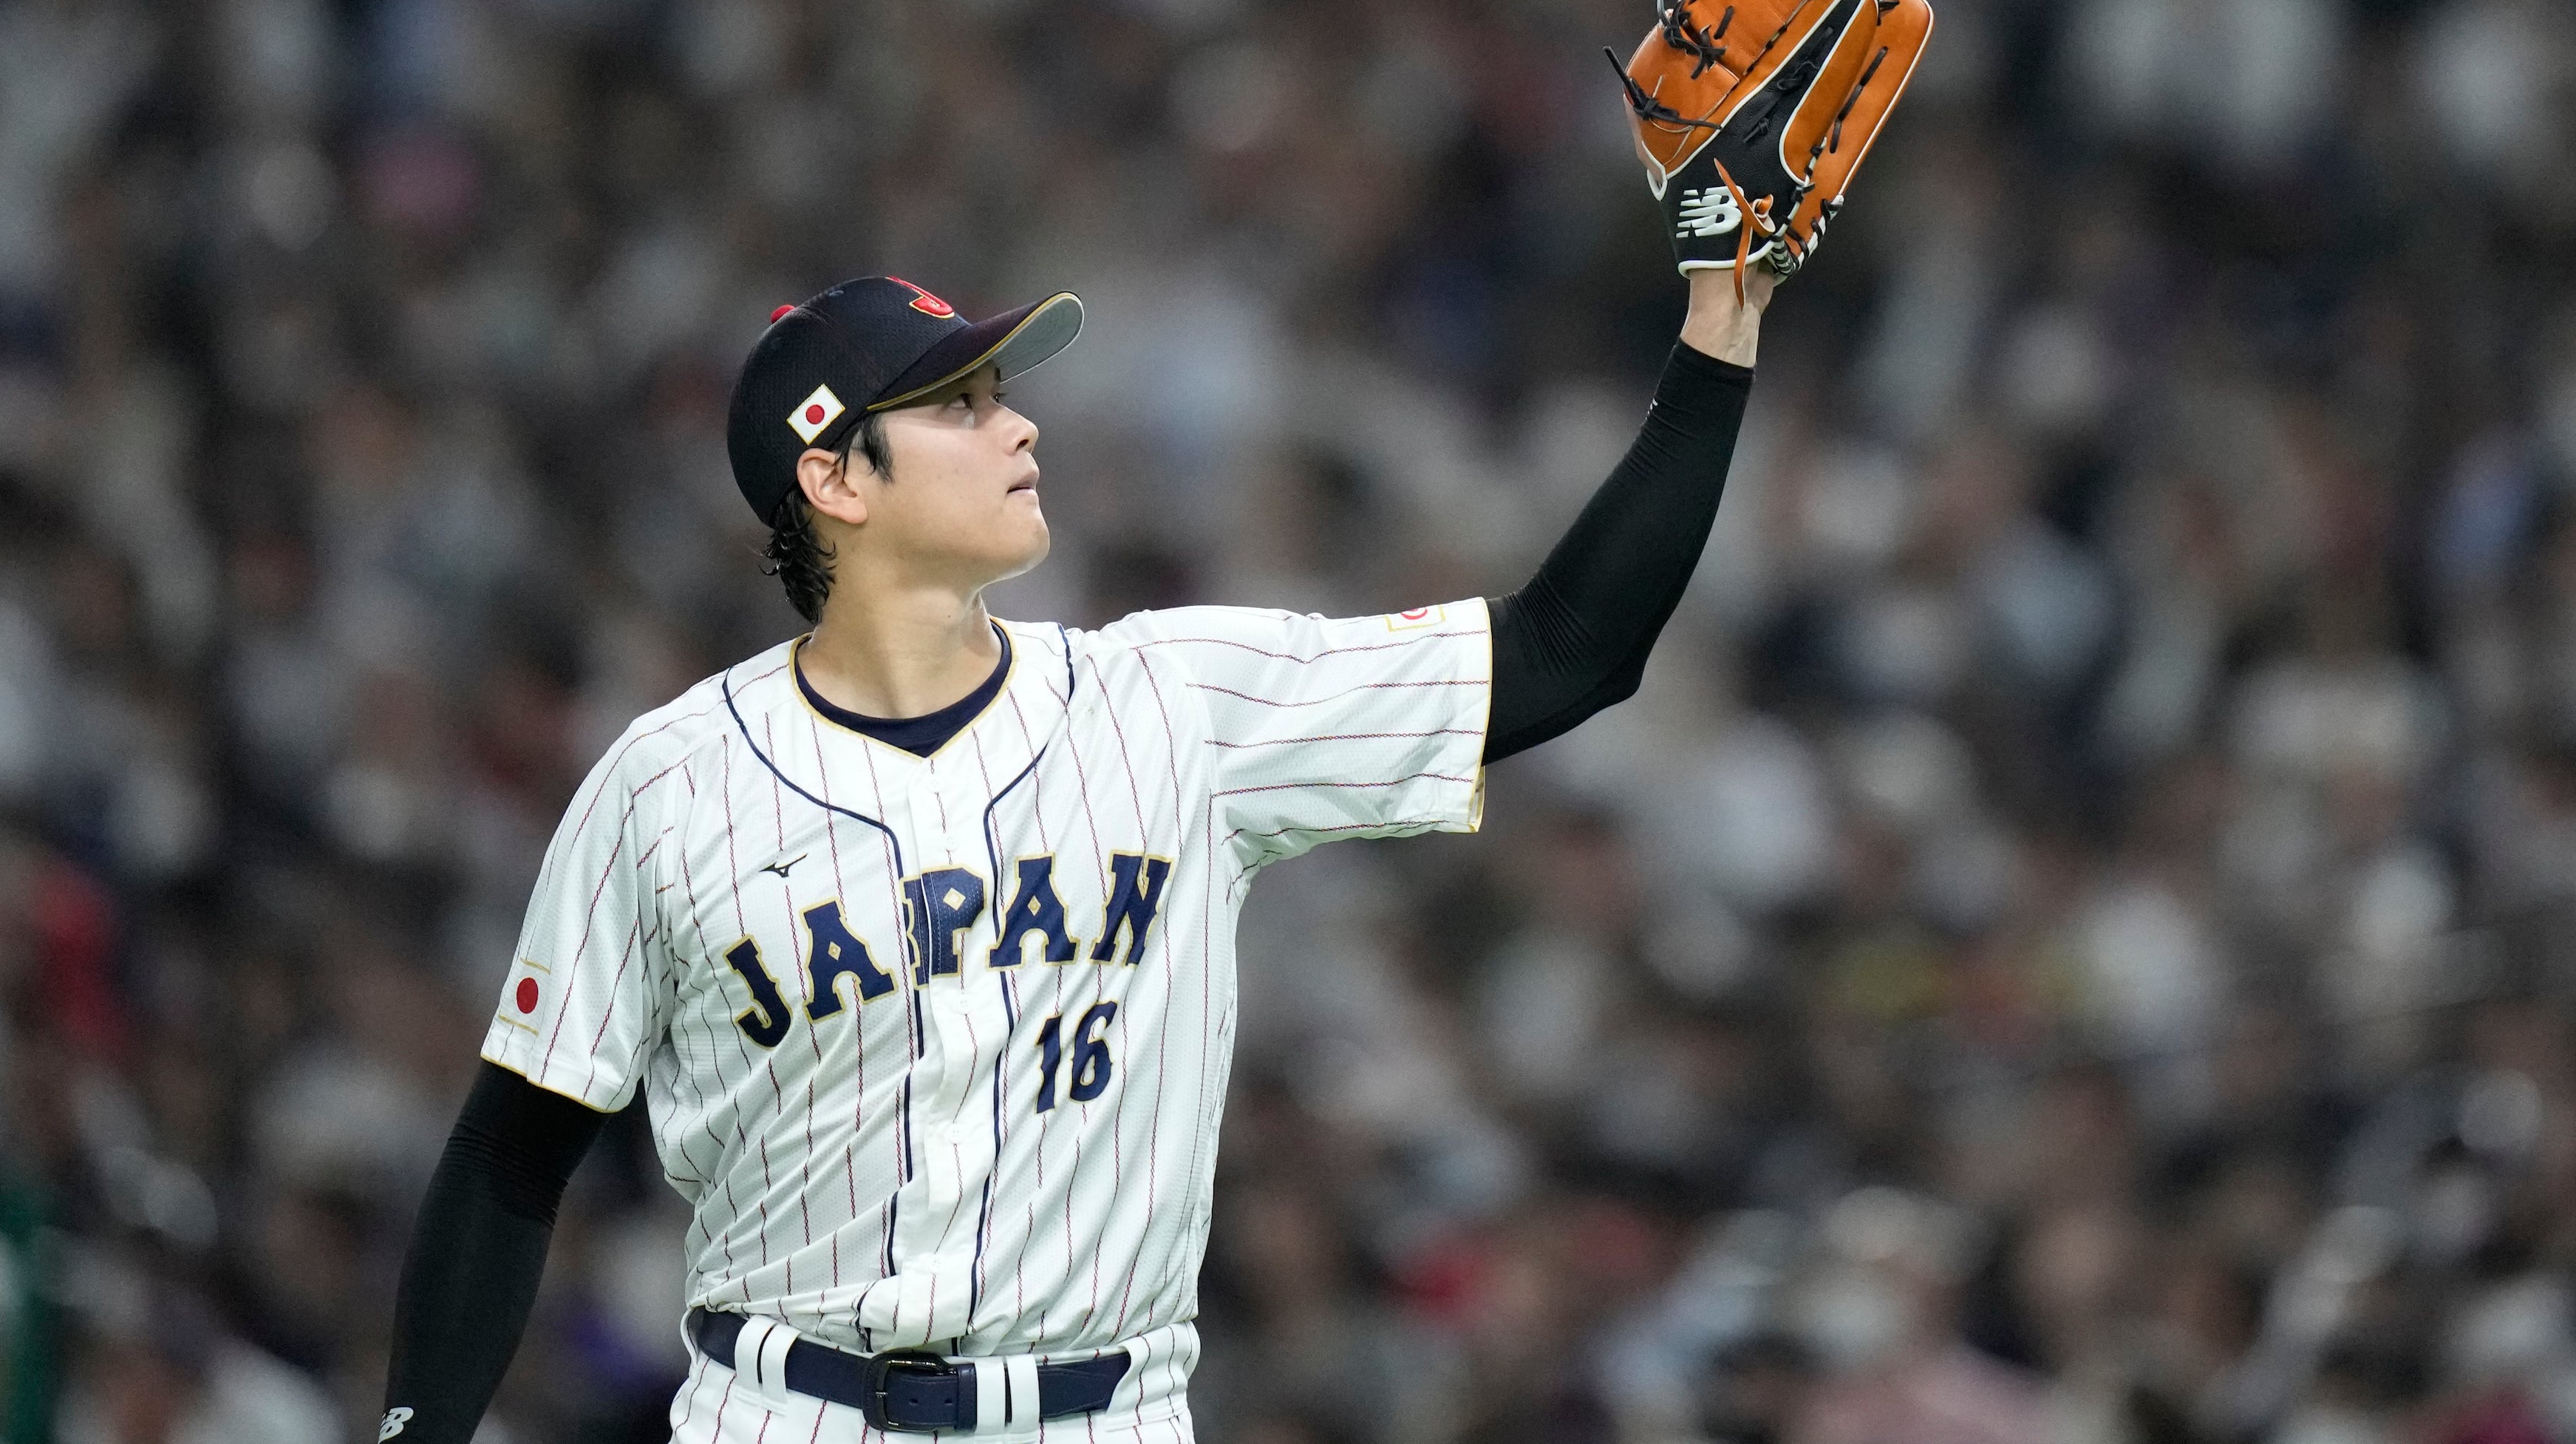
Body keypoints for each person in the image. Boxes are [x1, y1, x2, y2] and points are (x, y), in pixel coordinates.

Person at [368, 234, 1782, 1444]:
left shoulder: (1174, 702)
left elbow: (1568, 649)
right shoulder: (665, 785)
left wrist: (1719, 329)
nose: (1021, 425)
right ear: (837, 480)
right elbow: (508, 1154)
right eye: (961, 404)